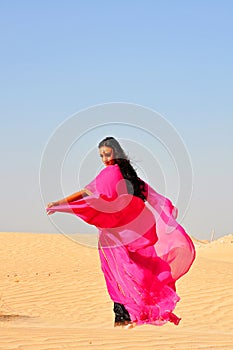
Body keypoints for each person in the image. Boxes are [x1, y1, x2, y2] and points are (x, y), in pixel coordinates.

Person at [47, 136, 195, 328]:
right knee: (122, 272)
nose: (104, 159)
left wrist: (60, 204)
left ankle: (123, 316)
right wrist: (61, 203)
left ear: (115, 152)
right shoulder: (129, 175)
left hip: (116, 235)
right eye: (101, 155)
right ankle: (125, 315)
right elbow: (93, 193)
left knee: (118, 273)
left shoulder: (113, 174)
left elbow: (87, 193)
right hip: (121, 234)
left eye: (107, 154)